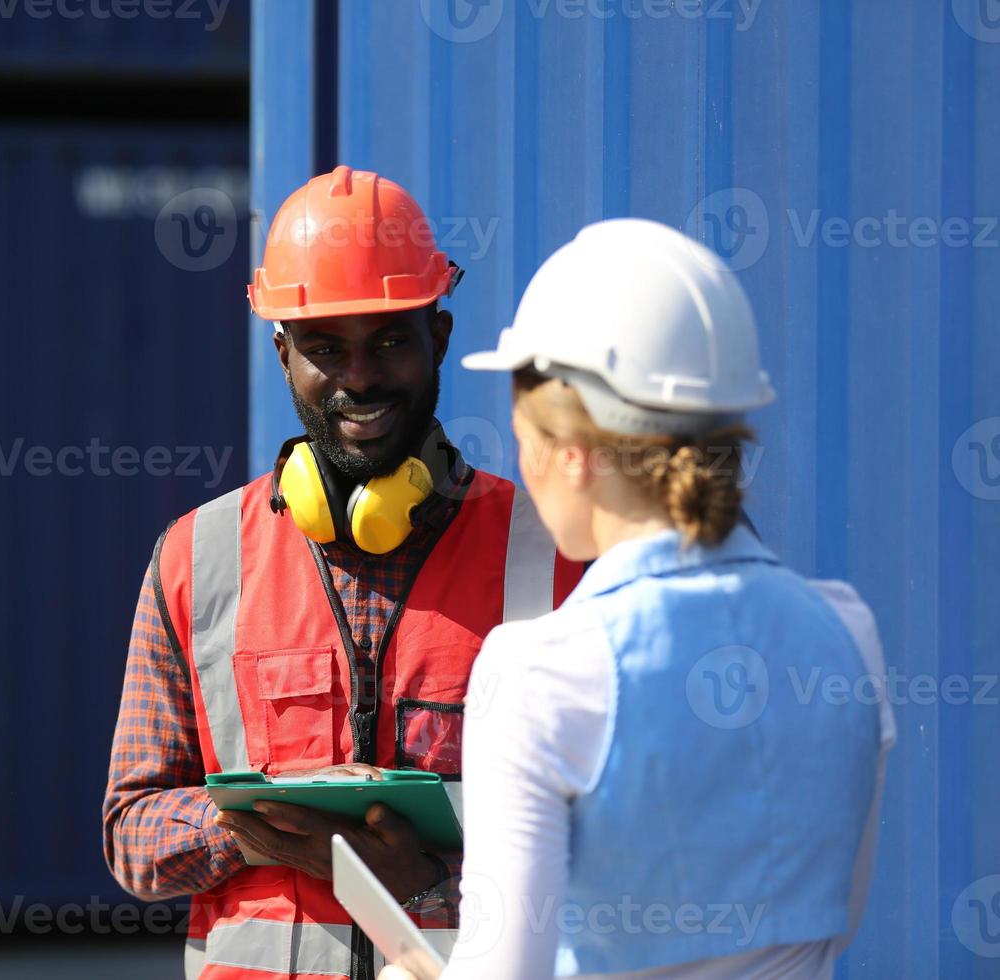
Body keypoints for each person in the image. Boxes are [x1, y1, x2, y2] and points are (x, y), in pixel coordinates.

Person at [381, 219, 896, 979]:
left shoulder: (538, 671)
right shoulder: (848, 631)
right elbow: (838, 921)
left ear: (575, 453)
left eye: (524, 436)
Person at [102, 166, 582, 980]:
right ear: (284, 353)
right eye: (326, 348)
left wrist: (429, 887)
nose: (359, 377)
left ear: (440, 337)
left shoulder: (551, 554)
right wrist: (252, 825)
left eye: (389, 340)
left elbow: (616, 846)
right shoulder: (196, 557)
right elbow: (131, 831)